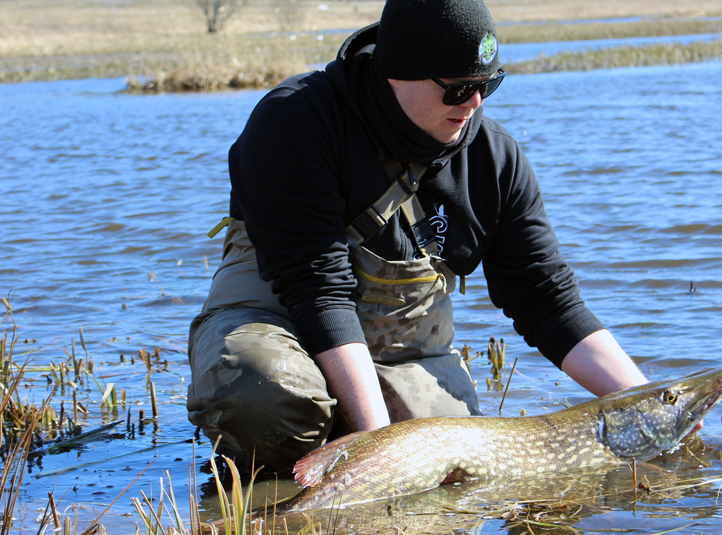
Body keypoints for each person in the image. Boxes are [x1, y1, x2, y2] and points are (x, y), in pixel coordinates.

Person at [187, 0, 648, 473]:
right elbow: (317, 291)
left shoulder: (497, 160)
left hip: (400, 352)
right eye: (460, 89)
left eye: (489, 84)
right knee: (265, 393)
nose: (476, 103)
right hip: (280, 320)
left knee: (459, 473)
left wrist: (650, 404)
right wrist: (378, 451)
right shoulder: (295, 120)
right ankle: (274, 475)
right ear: (398, 72)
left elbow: (547, 300)